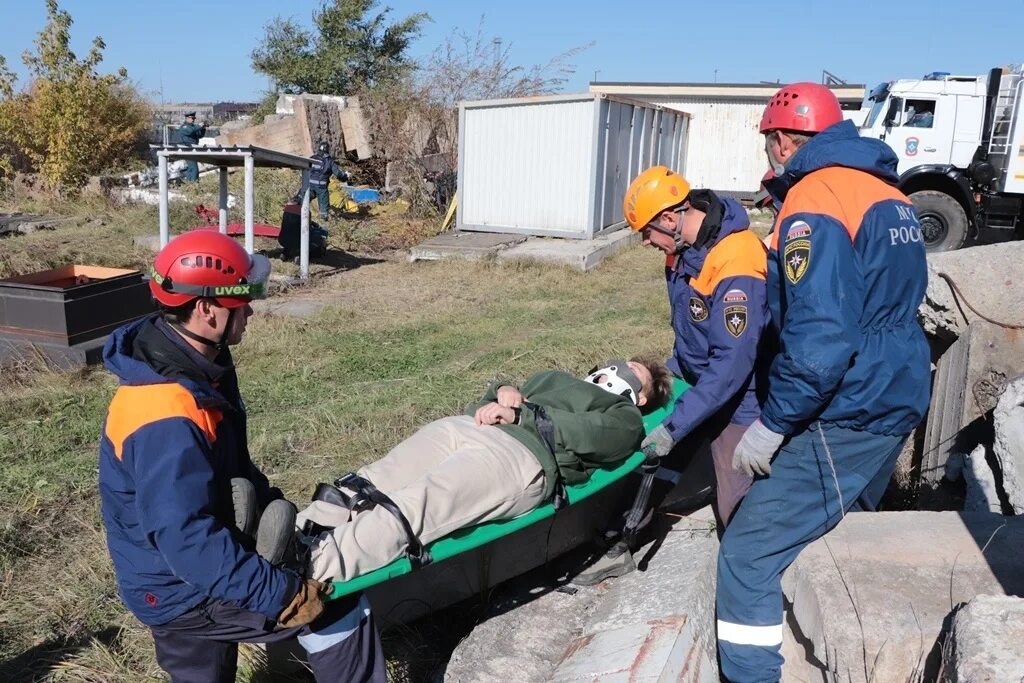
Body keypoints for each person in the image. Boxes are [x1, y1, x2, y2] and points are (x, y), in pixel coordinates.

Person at [98, 231, 385, 682]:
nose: (250, 310)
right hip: (179, 588)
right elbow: (185, 539)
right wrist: (280, 594)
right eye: (243, 300)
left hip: (192, 567)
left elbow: (227, 466)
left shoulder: (198, 365)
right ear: (207, 309)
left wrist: (271, 505)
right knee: (340, 609)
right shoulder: (165, 413)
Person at [716, 82, 931, 682]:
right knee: (836, 527)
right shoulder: (889, 194)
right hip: (898, 386)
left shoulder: (814, 197)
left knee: (747, 551)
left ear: (783, 139)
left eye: (769, 144)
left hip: (850, 404)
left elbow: (821, 338)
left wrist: (774, 424)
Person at [288, 358, 673, 582]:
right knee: (368, 481)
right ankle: (294, 534)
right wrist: (503, 391)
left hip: (522, 460)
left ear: (640, 396)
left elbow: (593, 436)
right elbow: (491, 399)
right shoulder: (554, 378)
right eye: (619, 361)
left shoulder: (625, 416)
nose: (616, 367)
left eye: (631, 370)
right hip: (470, 427)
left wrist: (523, 414)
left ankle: (306, 570)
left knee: (416, 504)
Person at [575, 168, 769, 585]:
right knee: (644, 454)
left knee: (736, 499)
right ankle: (620, 544)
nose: (646, 242)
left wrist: (677, 423)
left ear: (668, 218)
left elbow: (732, 365)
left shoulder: (738, 257)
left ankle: (745, 580)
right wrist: (667, 382)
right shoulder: (679, 251)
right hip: (696, 380)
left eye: (646, 232)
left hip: (739, 398)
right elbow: (689, 333)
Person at [308, 141, 350, 218]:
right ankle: (324, 220)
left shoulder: (312, 158)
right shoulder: (329, 161)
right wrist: (345, 177)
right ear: (327, 150)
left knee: (305, 199)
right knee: (324, 208)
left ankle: (299, 212)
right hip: (321, 187)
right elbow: (338, 174)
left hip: (309, 185)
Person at [178, 112, 206, 182]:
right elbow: (190, 131)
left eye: (194, 118)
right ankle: (193, 185)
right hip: (187, 149)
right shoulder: (184, 127)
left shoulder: (193, 127)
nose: (193, 120)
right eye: (192, 118)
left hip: (193, 150)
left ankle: (189, 184)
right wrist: (199, 126)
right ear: (187, 118)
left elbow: (200, 135)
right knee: (194, 168)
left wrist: (203, 128)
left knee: (191, 168)